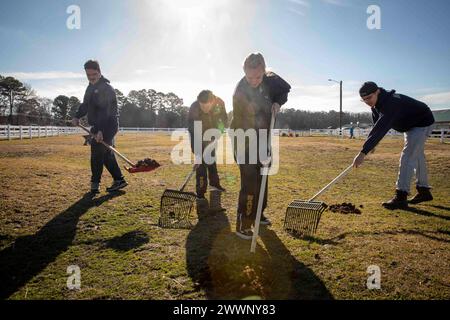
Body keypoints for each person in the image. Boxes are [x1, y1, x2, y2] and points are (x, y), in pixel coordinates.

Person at [231, 53, 291, 240]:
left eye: (258, 76)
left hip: (263, 136)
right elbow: (242, 125)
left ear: (264, 71)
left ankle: (259, 214)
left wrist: (277, 102)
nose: (254, 81)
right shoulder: (240, 92)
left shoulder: (271, 79)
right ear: (244, 73)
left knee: (263, 176)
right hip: (244, 138)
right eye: (250, 77)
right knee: (250, 182)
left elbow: (285, 90)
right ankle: (244, 222)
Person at [353, 81, 435, 209]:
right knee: (416, 155)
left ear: (377, 92)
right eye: (364, 100)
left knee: (408, 156)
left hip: (422, 122)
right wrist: (373, 145)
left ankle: (401, 196)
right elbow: (377, 126)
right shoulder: (376, 105)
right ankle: (424, 191)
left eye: (369, 98)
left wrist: (363, 152)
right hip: (410, 125)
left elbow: (381, 128)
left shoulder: (391, 103)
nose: (367, 101)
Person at [72, 60, 127, 194]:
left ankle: (95, 184)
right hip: (98, 125)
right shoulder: (90, 87)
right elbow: (85, 105)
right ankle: (119, 180)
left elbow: (106, 111)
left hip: (108, 125)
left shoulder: (106, 88)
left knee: (97, 153)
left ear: (100, 72)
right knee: (106, 154)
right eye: (88, 75)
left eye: (94, 74)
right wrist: (77, 116)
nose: (91, 78)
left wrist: (101, 130)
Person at [188, 90, 228, 199]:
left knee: (211, 160)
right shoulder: (194, 108)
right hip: (198, 133)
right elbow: (193, 130)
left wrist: (218, 133)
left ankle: (214, 184)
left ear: (212, 102)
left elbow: (224, 120)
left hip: (212, 132)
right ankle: (200, 191)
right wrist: (197, 153)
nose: (204, 109)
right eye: (202, 106)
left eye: (207, 107)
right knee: (200, 164)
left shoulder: (219, 103)